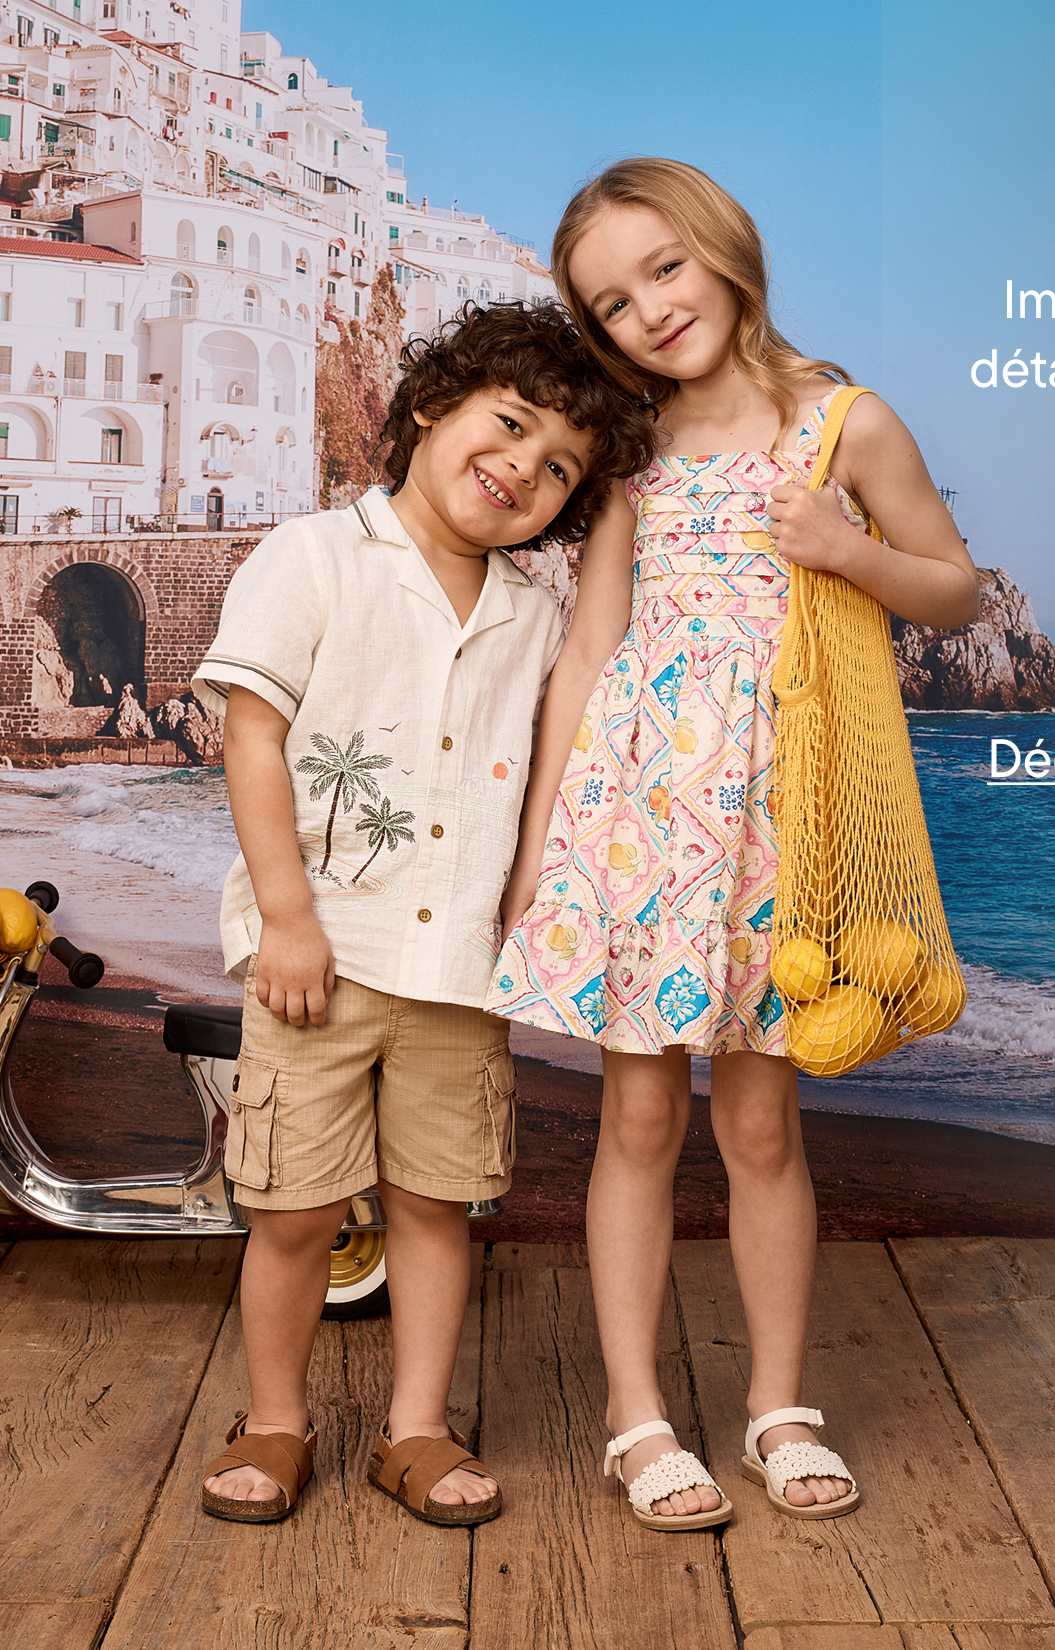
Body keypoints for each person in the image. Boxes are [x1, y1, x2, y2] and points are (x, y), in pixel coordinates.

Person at [488, 159, 980, 1530]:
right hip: (639, 820)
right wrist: (544, 852)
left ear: (722, 250)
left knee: (764, 1119)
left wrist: (846, 548)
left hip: (786, 817)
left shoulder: (844, 424)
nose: (646, 311)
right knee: (636, 1115)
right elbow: (589, 648)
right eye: (609, 301)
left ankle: (778, 1405)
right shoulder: (629, 447)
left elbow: (950, 583)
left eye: (662, 268)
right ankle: (636, 1417)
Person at [189, 300, 654, 1527]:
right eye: (508, 426)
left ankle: (415, 1430)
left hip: (459, 970)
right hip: (321, 959)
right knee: (292, 1212)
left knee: (434, 1210)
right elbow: (253, 734)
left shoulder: (535, 617)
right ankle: (277, 1419)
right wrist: (286, 916)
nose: (523, 468)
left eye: (561, 467)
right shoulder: (313, 556)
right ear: (431, 409)